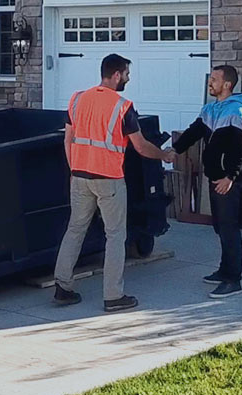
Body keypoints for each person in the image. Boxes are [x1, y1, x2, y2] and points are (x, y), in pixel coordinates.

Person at [52, 53, 176, 313]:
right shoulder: (123, 106)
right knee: (116, 236)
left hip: (79, 176)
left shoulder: (77, 100)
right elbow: (141, 147)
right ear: (117, 74)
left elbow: (68, 140)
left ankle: (62, 287)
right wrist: (164, 154)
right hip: (108, 179)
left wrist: (74, 168)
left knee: (75, 229)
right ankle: (113, 296)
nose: (128, 79)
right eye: (127, 74)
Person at [167, 65, 242, 299]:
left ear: (227, 84)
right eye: (211, 79)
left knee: (229, 229)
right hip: (215, 178)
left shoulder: (238, 113)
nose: (210, 83)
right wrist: (175, 149)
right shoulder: (211, 110)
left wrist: (230, 177)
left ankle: (233, 280)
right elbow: (195, 132)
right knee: (220, 228)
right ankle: (224, 270)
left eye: (214, 79)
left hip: (227, 181)